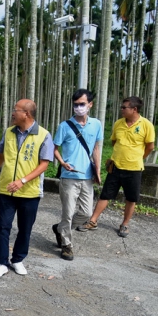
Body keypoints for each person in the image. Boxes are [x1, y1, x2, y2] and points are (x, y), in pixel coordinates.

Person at [0, 99, 54, 279]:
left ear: (27, 114)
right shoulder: (8, 132)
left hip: (29, 191)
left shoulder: (44, 135)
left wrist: (22, 180)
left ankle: (17, 260)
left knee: (25, 228)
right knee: (3, 226)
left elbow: (44, 164)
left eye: (16, 110)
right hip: (8, 189)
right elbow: (0, 156)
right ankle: (1, 262)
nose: (13, 113)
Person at [78, 96, 156, 238]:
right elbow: (114, 142)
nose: (121, 110)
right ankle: (93, 221)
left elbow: (150, 147)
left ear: (134, 109)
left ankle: (124, 224)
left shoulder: (146, 125)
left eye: (124, 107)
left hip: (134, 169)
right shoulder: (118, 124)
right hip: (115, 166)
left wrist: (138, 157)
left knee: (131, 198)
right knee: (105, 194)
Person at [51, 89, 104, 260]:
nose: (78, 107)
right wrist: (62, 162)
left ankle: (60, 229)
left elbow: (96, 148)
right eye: (76, 104)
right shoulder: (64, 126)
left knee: (86, 214)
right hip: (68, 177)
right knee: (68, 213)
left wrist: (97, 170)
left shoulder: (96, 124)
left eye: (82, 104)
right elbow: (54, 149)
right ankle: (66, 245)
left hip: (87, 176)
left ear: (90, 104)